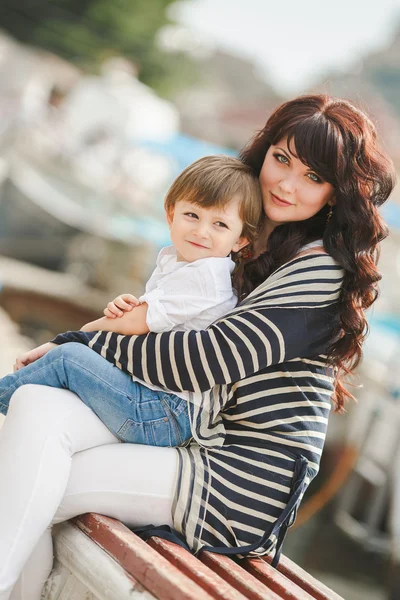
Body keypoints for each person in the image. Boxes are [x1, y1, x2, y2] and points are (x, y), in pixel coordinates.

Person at [0, 94, 395, 600]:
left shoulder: (321, 268)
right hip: (193, 431)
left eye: (314, 178)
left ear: (336, 195)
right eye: (282, 160)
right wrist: (75, 345)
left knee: (40, 485)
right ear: (263, 152)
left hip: (240, 476)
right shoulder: (246, 240)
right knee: (35, 407)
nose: (288, 185)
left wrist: (81, 346)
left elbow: (205, 359)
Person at [0, 155, 262, 447]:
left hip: (164, 412)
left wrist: (66, 339)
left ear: (241, 240)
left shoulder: (206, 274)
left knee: (67, 358)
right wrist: (130, 309)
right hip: (157, 402)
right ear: (171, 212)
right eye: (193, 216)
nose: (202, 231)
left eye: (220, 225)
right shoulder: (180, 263)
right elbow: (137, 321)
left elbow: (132, 324)